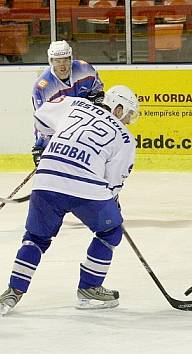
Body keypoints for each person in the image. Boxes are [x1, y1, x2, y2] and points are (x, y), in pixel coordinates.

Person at [0, 85, 139, 316]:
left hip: (46, 178)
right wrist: (112, 202)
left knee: (35, 238)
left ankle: (13, 292)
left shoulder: (74, 103)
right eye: (128, 114)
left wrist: (54, 141)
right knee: (111, 232)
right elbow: (113, 182)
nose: (128, 121)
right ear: (118, 107)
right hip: (86, 187)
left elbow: (42, 114)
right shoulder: (125, 137)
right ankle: (89, 287)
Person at [31, 40, 105, 168]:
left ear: (71, 58)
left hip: (86, 129)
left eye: (65, 60)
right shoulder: (42, 88)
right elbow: (43, 122)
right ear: (51, 61)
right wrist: (41, 146)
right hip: (60, 133)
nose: (62, 65)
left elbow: (98, 96)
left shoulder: (85, 69)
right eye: (57, 61)